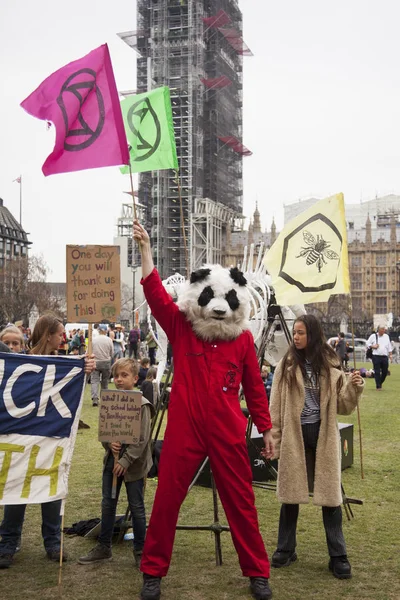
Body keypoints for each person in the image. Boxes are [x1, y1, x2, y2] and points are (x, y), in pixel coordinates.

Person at [133, 220, 274, 600]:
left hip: (227, 428)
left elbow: (255, 388)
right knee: (166, 498)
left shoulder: (243, 339)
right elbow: (156, 296)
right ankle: (152, 571)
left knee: (241, 499)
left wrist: (267, 427)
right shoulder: (182, 327)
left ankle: (258, 572)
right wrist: (146, 250)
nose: (217, 306)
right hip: (185, 426)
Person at [269, 314, 364, 580]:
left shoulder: (331, 362)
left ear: (312, 334)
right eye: (294, 332)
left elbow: (343, 406)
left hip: (324, 436)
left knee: (331, 496)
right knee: (290, 495)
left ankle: (338, 556)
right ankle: (285, 549)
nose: (296, 337)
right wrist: (274, 440)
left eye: (301, 332)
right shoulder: (285, 365)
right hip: (294, 436)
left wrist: (354, 387)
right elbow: (275, 407)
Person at [0, 314, 95, 569]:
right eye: (59, 333)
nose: (63, 337)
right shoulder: (19, 360)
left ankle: (53, 542)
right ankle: (8, 544)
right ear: (47, 334)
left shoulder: (60, 363)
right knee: (15, 488)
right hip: (20, 436)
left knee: (51, 488)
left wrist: (82, 368)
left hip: (50, 437)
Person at [78, 358, 154, 568]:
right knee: (108, 504)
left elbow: (142, 438)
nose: (119, 380)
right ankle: (104, 546)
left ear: (135, 378)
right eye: (116, 376)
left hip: (134, 468)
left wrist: (126, 459)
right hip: (112, 464)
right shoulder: (110, 401)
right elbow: (105, 430)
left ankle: (140, 549)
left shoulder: (142, 405)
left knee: (137, 508)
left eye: (124, 375)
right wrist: (109, 445)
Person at [91, 324, 114, 407]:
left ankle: (95, 398)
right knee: (105, 382)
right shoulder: (109, 340)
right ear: (106, 331)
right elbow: (112, 353)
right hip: (106, 362)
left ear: (99, 330)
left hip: (95, 361)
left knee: (94, 380)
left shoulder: (93, 340)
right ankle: (104, 399)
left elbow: (89, 351)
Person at [366, 324, 392, 390]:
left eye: (384, 329)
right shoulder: (373, 336)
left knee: (385, 371)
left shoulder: (386, 336)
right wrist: (373, 346)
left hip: (384, 357)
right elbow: (367, 343)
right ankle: (378, 386)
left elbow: (389, 346)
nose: (384, 331)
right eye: (382, 329)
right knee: (377, 371)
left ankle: (379, 383)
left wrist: (390, 354)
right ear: (379, 330)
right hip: (376, 356)